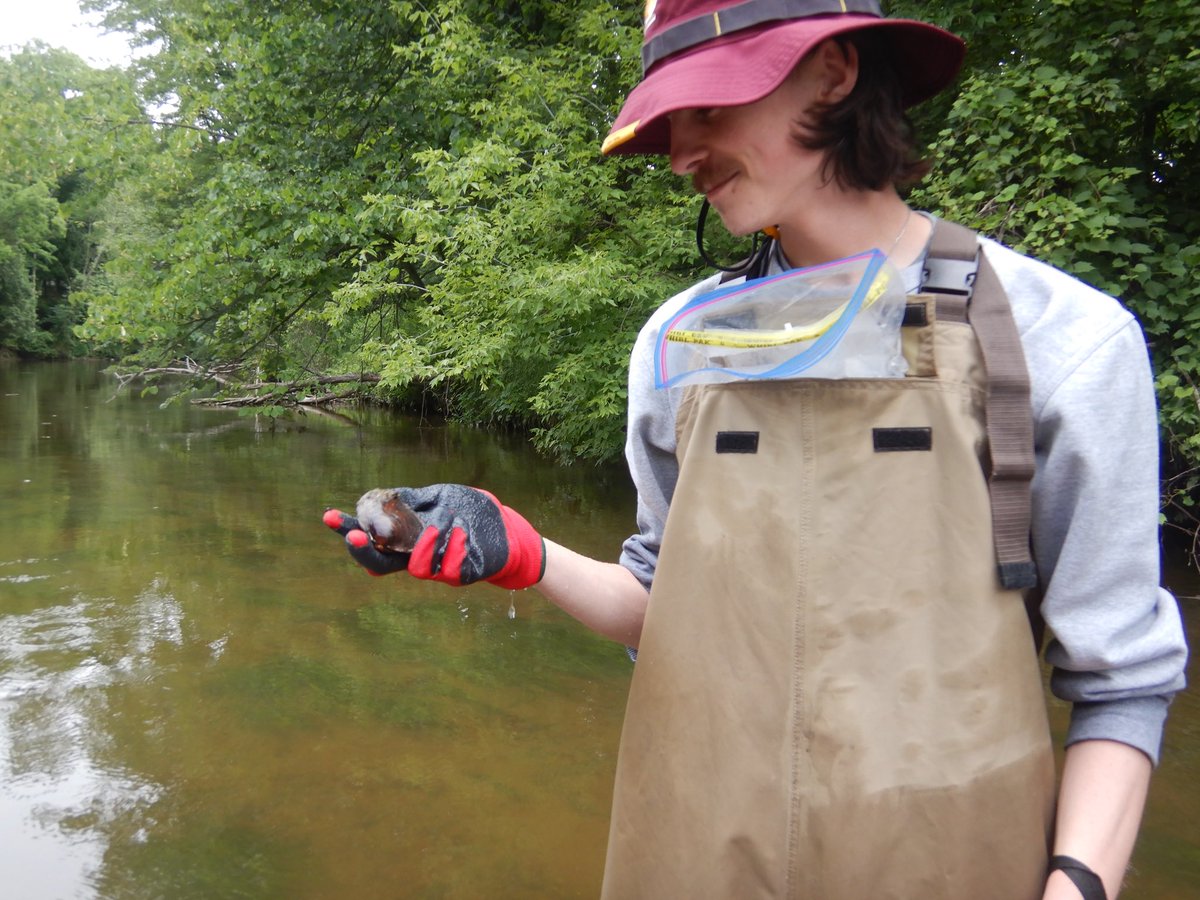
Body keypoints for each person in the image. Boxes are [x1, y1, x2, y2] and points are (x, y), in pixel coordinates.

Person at [324, 2, 1188, 897]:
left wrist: (1075, 888)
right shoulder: (679, 345)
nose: (681, 153)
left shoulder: (1063, 342)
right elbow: (669, 609)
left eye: (710, 108)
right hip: (693, 857)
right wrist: (524, 553)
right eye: (668, 122)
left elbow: (1120, 682)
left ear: (835, 72)